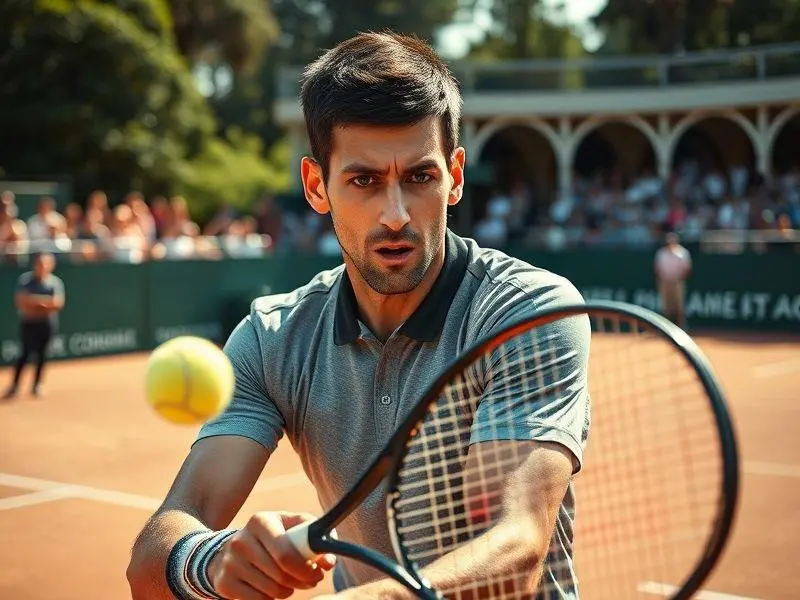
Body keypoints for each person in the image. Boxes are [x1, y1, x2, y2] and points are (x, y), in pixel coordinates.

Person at [127, 31, 591, 600]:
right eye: (364, 180)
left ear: (456, 177)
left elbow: (514, 548)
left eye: (419, 176)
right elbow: (151, 562)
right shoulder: (272, 339)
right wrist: (212, 559)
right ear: (316, 186)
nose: (395, 215)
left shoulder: (525, 311)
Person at [3, 252, 65, 399]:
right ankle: (14, 386)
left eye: (45, 264)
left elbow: (57, 304)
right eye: (40, 264)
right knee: (24, 355)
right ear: (35, 265)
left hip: (47, 324)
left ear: (51, 266)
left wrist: (34, 301)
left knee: (42, 355)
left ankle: (37, 385)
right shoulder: (25, 280)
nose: (42, 267)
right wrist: (44, 303)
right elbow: (21, 301)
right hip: (29, 323)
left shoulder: (55, 283)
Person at [654, 232, 692, 328]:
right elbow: (657, 268)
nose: (670, 242)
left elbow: (687, 268)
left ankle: (681, 326)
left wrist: (678, 278)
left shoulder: (683, 253)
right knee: (666, 305)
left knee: (679, 305)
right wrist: (664, 278)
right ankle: (667, 327)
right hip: (664, 281)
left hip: (678, 281)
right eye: (668, 240)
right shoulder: (661, 253)